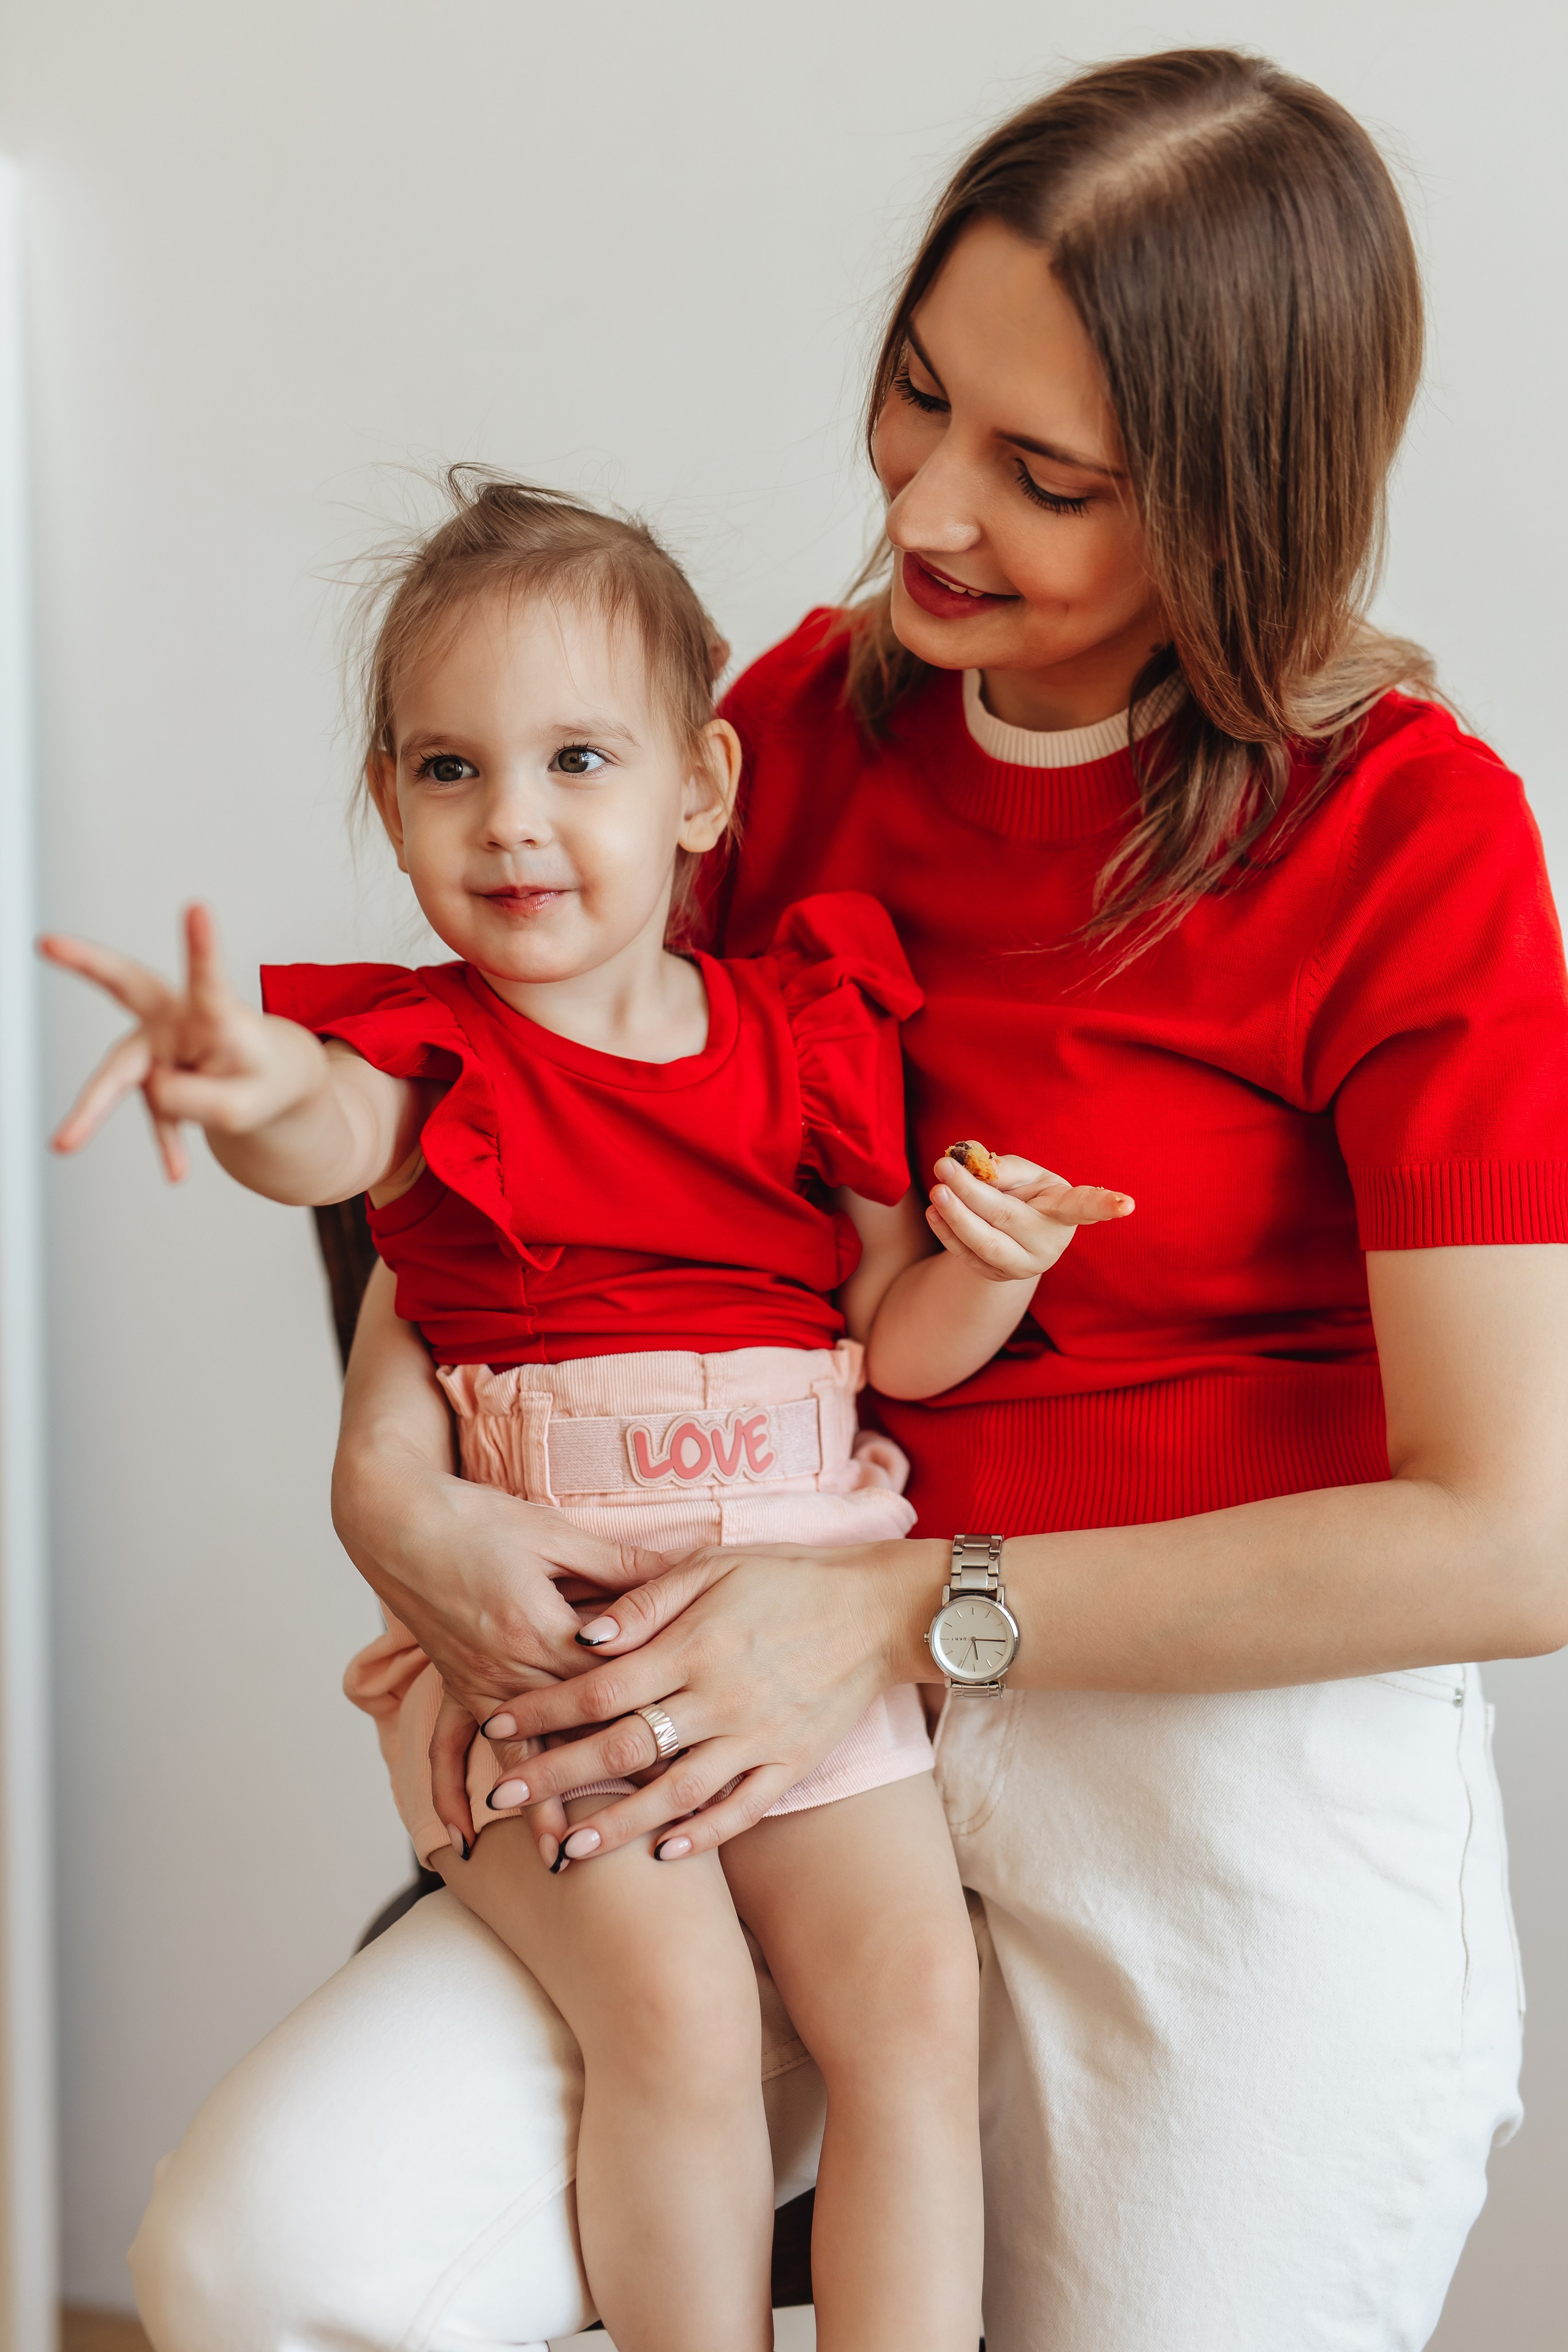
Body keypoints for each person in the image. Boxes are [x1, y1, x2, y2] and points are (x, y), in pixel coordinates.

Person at [120, 45, 1567, 2352]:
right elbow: (549, 1145)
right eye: (918, 397)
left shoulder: (1415, 843)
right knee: (268, 2269)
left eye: (1047, 473)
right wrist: (398, 1495)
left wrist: (911, 1616)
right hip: (729, 1664)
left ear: (1238, 502)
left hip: (1206, 1758)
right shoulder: (786, 729)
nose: (926, 509)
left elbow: (1519, 1538)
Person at [43, 477, 1133, 2351]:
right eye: (449, 771)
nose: (515, 821)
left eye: (573, 759)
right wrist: (243, 1083)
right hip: (550, 1662)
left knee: (914, 2008)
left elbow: (899, 1341)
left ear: (699, 788)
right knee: (684, 2021)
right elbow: (328, 1130)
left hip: (802, 1622)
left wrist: (998, 1269)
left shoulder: (805, 1030)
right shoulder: (425, 1052)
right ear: (390, 809)